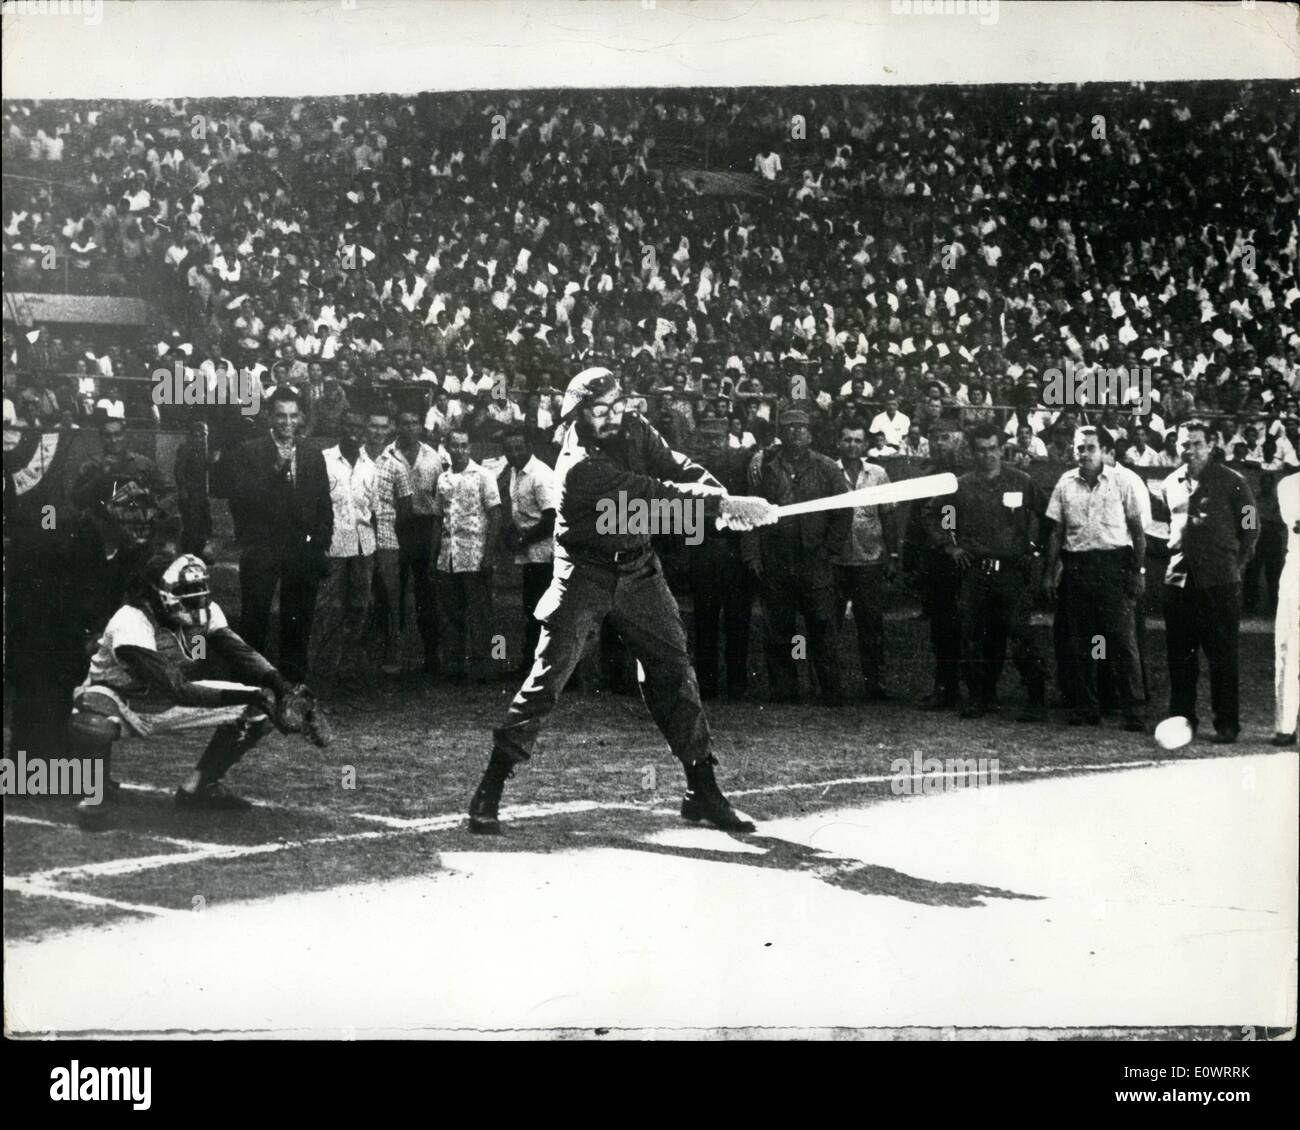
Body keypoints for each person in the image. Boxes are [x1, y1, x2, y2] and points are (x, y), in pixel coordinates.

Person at [466, 367, 774, 835]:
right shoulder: (580, 467)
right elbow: (654, 493)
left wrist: (724, 497)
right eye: (600, 411)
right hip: (583, 572)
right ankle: (490, 788)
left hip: (637, 567)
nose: (611, 418)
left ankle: (701, 790)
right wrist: (723, 508)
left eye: (617, 406)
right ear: (578, 414)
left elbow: (676, 467)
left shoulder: (635, 428)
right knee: (549, 678)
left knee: (673, 668)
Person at [67, 553, 321, 829]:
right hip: (121, 701)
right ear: (157, 592)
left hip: (169, 701)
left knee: (260, 708)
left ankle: (201, 786)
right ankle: (95, 789)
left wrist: (281, 685)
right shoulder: (130, 621)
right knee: (93, 720)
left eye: (197, 590)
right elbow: (178, 689)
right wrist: (251, 695)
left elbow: (240, 654)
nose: (194, 598)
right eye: (184, 591)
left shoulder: (206, 611)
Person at [6, 474, 176, 759]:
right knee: (41, 707)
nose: (140, 517)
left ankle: (81, 771)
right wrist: (81, 638)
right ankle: (30, 773)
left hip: (77, 634)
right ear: (102, 511)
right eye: (129, 508)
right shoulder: (61, 543)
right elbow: (36, 607)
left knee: (92, 698)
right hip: (39, 632)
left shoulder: (128, 551)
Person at [1160, 421, 1259, 744]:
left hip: (1219, 584)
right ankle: (1182, 719)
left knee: (1223, 657)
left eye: (1196, 444)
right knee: (1180, 658)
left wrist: (1236, 566)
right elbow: (1166, 527)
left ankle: (1227, 723)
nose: (1189, 450)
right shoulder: (1169, 483)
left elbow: (1251, 527)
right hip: (1179, 583)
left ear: (1212, 444)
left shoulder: (1233, 482)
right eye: (1184, 444)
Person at [1044, 426, 1148, 731]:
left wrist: (1138, 572)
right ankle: (1087, 706)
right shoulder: (1065, 483)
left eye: (1090, 448)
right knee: (1083, 642)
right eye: (1080, 448)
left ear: (1104, 451)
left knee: (1122, 640)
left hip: (1114, 567)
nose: (1084, 454)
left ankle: (1132, 708)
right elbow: (1056, 532)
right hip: (1077, 567)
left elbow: (1139, 534)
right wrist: (1050, 573)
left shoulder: (1122, 482)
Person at [229, 385, 333, 684]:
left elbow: (323, 503)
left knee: (298, 620)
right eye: (281, 416)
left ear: (300, 418)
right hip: (263, 548)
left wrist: (320, 542)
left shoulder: (313, 453)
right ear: (270, 418)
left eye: (292, 416)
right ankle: (249, 688)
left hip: (302, 550)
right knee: (254, 620)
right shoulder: (250, 451)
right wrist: (276, 468)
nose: (287, 423)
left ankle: (293, 687)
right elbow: (242, 500)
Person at [746, 408, 850, 704]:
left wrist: (829, 548)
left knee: (821, 624)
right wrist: (753, 555)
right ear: (782, 433)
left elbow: (843, 512)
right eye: (789, 428)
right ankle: (785, 687)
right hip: (777, 557)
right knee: (780, 626)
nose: (795, 433)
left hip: (814, 558)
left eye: (801, 428)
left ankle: (829, 688)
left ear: (811, 434)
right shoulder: (765, 468)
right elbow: (752, 512)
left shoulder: (827, 468)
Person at [945, 422, 1048, 720]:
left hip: (1011, 573)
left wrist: (1035, 549)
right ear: (972, 452)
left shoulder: (1022, 481)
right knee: (973, 635)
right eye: (981, 450)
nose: (988, 455)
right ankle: (980, 697)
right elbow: (938, 515)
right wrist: (951, 546)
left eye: (993, 449)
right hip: (976, 573)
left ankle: (1036, 698)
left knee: (1020, 634)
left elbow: (1049, 516)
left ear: (1002, 450)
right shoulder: (961, 485)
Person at [686, 418, 755, 700]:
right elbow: (686, 517)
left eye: (717, 439)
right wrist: (692, 553)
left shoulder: (741, 468)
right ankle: (708, 683)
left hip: (735, 555)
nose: (712, 445)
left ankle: (737, 683)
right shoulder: (689, 473)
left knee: (738, 622)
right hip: (704, 555)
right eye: (707, 439)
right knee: (705, 623)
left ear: (727, 438)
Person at [831, 420, 898, 701]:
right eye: (847, 440)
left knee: (871, 625)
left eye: (858, 440)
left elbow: (889, 514)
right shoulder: (828, 471)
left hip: (869, 560)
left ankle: (874, 682)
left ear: (865, 444)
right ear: (838, 443)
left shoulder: (878, 473)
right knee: (829, 624)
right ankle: (830, 683)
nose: (852, 446)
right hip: (835, 560)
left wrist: (892, 555)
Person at [431, 428, 501, 684]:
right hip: (449, 556)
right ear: (448, 448)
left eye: (464, 445)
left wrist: (488, 556)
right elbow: (439, 520)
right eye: (455, 446)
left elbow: (495, 516)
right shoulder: (443, 479)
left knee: (481, 614)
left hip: (475, 554)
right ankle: (455, 665)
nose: (459, 451)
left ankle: (489, 665)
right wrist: (434, 557)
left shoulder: (484, 476)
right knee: (451, 614)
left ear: (470, 448)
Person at [314, 410, 378, 683]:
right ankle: (325, 665)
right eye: (349, 425)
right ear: (341, 427)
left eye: (358, 427)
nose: (354, 432)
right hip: (334, 545)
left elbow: (371, 509)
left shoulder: (370, 466)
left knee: (359, 605)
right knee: (328, 605)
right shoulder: (324, 461)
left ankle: (350, 665)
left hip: (364, 547)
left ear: (364, 431)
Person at [910, 415, 968, 710]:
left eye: (945, 437)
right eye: (933, 438)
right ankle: (945, 686)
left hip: (968, 559)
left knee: (972, 626)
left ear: (958, 439)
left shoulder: (969, 473)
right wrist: (912, 562)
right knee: (942, 627)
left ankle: (975, 688)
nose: (938, 444)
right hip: (936, 561)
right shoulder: (926, 475)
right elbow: (915, 522)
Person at [386, 408, 443, 676]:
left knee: (426, 592)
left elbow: (441, 497)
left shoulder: (434, 456)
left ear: (421, 426)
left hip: (423, 528)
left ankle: (431, 653)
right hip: (394, 528)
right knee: (391, 591)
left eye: (414, 423)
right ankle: (391, 653)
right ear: (397, 425)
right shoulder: (385, 454)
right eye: (404, 423)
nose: (409, 427)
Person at [498, 429, 559, 675]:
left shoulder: (540, 475)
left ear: (528, 446)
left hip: (546, 554)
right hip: (531, 552)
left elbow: (551, 518)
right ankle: (532, 662)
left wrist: (523, 538)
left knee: (543, 609)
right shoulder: (515, 472)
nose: (514, 453)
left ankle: (544, 665)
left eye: (518, 447)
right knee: (531, 607)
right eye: (509, 449)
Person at [367, 411, 414, 676]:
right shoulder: (359, 459)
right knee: (360, 598)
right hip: (358, 540)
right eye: (373, 426)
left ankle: (391, 654)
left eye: (382, 427)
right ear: (366, 427)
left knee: (389, 598)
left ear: (389, 430)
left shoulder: (397, 465)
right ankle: (363, 653)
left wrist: (388, 527)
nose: (377, 431)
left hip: (386, 540)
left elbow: (406, 507)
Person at [70, 417, 172, 514]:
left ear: (124, 435)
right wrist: (101, 476)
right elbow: (77, 501)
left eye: (118, 434)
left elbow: (168, 491)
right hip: (104, 525)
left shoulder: (142, 463)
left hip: (137, 523)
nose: (113, 440)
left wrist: (151, 504)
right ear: (101, 438)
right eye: (107, 436)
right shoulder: (91, 465)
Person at [1274, 470, 1300, 746]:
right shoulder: (1289, 485)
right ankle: (1285, 726)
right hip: (1297, 572)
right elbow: (1297, 524)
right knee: (1288, 648)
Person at [173, 419, 213, 558]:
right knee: (191, 525)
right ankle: (188, 554)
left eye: (204, 435)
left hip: (201, 493)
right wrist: (183, 490)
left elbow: (205, 466)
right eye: (199, 435)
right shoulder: (186, 449)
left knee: (205, 523)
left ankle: (198, 552)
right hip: (190, 493)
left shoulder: (203, 449)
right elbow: (179, 471)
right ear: (193, 435)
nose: (201, 438)